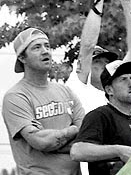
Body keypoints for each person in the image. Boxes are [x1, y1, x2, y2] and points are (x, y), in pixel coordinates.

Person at [2, 28, 84, 175]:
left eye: (47, 46)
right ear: (22, 58)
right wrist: (72, 130)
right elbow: (42, 142)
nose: (45, 51)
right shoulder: (16, 96)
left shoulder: (66, 91)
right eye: (37, 47)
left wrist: (54, 141)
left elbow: (86, 137)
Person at [66, 0, 131, 114]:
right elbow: (88, 46)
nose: (105, 65)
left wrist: (127, 2)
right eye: (97, 61)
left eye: (107, 61)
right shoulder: (78, 86)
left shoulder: (117, 90)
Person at [70, 60, 131, 175]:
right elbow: (77, 151)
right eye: (123, 79)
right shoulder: (100, 115)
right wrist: (119, 151)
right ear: (109, 90)